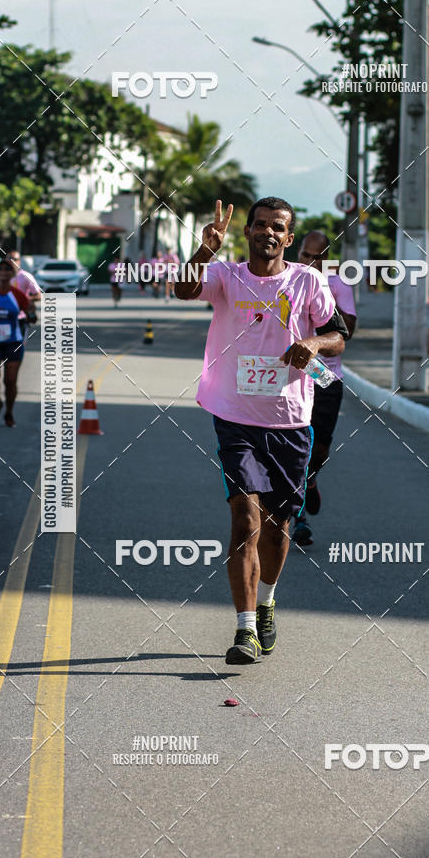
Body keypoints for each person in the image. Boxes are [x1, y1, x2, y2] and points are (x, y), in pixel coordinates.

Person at [175, 198, 347, 664]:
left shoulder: (307, 281)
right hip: (234, 416)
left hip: (289, 419)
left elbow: (337, 336)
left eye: (278, 227)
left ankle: (267, 601)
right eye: (261, 225)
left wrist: (313, 342)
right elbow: (184, 290)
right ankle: (245, 628)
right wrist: (204, 250)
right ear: (247, 231)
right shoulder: (226, 276)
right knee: (245, 521)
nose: (268, 232)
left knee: (277, 527)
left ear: (288, 238)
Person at [291, 231, 357, 546]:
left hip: (325, 374)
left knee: (319, 448)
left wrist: (324, 293)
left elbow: (348, 332)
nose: (310, 262)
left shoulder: (339, 284)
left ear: (327, 259)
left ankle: (311, 479)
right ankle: (298, 516)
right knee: (295, 444)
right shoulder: (288, 279)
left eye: (317, 257)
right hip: (293, 371)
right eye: (305, 255)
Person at [0, 258, 31, 427]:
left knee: (10, 381)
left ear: (12, 274)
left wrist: (32, 313)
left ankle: (9, 412)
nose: (3, 272)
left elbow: (30, 313)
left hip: (13, 342)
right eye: (0, 269)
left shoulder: (18, 295)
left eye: (7, 269)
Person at [1, 251, 40, 339]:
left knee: (18, 345)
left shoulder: (25, 276)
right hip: (4, 317)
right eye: (9, 259)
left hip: (21, 318)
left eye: (15, 259)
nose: (11, 261)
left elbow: (38, 295)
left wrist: (24, 300)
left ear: (19, 261)